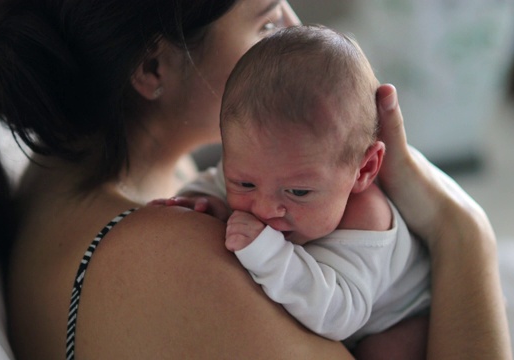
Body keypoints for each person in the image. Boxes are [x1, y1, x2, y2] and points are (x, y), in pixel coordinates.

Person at [0, 0, 511, 359]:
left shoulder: (80, 175)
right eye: (267, 22)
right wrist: (462, 230)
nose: (299, 29)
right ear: (152, 65)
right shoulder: (167, 256)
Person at [160, 25, 431, 350]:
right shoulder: (265, 165)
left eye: (298, 192)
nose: (263, 209)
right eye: (243, 183)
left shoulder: (368, 221)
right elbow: (212, 180)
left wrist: (268, 253)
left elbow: (341, 316)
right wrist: (200, 200)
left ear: (364, 169)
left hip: (397, 315)